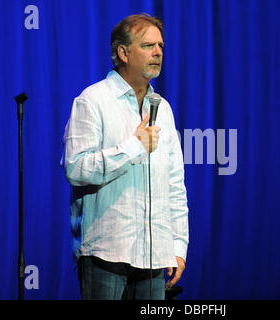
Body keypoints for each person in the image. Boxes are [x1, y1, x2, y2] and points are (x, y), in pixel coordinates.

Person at [61, 13, 189, 300]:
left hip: (155, 257)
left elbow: (175, 185)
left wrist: (178, 245)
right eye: (147, 46)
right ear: (123, 53)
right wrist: (135, 147)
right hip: (107, 254)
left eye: (161, 46)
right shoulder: (93, 101)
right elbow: (76, 168)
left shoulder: (163, 109)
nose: (158, 52)